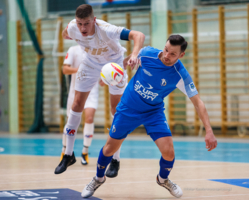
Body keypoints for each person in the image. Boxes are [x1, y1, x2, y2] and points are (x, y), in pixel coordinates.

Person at [81, 35, 218, 198]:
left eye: (173, 54)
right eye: (166, 50)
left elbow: (198, 102)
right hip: (128, 108)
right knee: (110, 148)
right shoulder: (147, 54)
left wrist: (209, 130)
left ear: (181, 55)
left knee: (169, 153)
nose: (166, 55)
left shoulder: (180, 74)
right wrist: (115, 71)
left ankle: (163, 179)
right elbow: (128, 61)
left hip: (153, 112)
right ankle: (98, 178)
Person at [54, 4, 145, 175]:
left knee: (116, 110)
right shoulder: (74, 27)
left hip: (113, 65)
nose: (83, 28)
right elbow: (65, 33)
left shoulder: (106, 29)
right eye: (80, 23)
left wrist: (133, 54)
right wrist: (69, 33)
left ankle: (115, 159)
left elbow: (138, 35)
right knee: (76, 105)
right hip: (90, 64)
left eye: (87, 23)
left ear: (94, 20)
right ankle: (68, 155)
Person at [61, 45, 101, 165]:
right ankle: (65, 151)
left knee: (89, 118)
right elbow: (65, 69)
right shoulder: (73, 50)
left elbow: (104, 68)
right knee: (70, 121)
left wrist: (106, 77)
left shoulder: (98, 49)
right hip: (76, 91)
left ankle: (85, 151)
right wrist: (79, 70)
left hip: (92, 90)